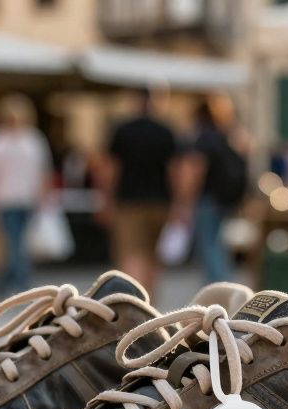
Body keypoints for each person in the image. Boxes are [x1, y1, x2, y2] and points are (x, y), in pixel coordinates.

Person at [0, 94, 51, 296]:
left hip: (28, 198)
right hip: (4, 199)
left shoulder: (34, 139)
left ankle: (2, 282)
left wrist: (44, 195)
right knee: (14, 242)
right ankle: (22, 283)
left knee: (17, 243)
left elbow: (43, 171)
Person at [103, 88, 177, 295]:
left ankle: (134, 302)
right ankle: (150, 302)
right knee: (154, 256)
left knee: (131, 254)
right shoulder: (166, 131)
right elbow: (175, 171)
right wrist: (179, 204)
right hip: (161, 201)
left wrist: (107, 200)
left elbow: (111, 169)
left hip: (129, 202)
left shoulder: (123, 130)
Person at [178, 97, 247, 284]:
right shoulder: (225, 137)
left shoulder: (203, 139)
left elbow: (195, 170)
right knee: (217, 244)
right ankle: (223, 285)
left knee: (209, 246)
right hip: (224, 200)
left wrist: (185, 200)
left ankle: (219, 288)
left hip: (207, 199)